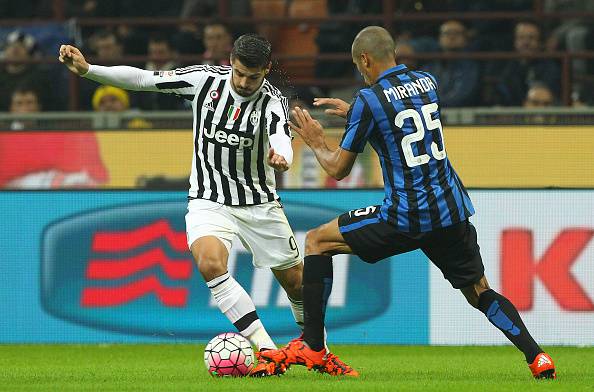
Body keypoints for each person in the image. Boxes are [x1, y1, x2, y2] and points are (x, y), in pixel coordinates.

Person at [260, 26, 556, 380]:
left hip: (405, 216)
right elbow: (403, 115)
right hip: (451, 211)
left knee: (317, 241)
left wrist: (315, 139)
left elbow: (338, 169)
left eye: (359, 66)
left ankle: (313, 346)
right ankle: (537, 357)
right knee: (479, 291)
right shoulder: (427, 82)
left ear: (365, 59)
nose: (360, 72)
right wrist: (355, 112)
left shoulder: (370, 100)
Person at [58, 33, 352, 376]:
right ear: (230, 62)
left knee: (297, 284)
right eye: (239, 73)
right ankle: (270, 351)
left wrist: (282, 156)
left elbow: (280, 138)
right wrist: (88, 69)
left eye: (253, 77)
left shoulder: (273, 103)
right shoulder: (203, 80)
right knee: (211, 263)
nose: (243, 82)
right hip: (209, 199)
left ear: (266, 71)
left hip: (259, 204)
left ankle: (320, 351)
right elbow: (142, 79)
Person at [424, 20, 481, 107]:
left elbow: (462, 96)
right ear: (440, 38)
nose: (452, 37)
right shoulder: (430, 67)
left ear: (466, 39)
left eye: (457, 33)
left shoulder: (471, 67)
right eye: (447, 33)